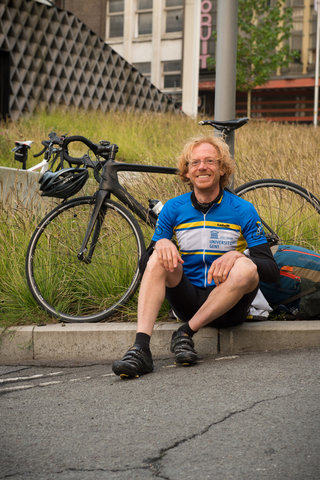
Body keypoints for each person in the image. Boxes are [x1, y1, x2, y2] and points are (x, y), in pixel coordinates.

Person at [112, 135, 279, 378]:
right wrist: (161, 244)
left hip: (229, 308)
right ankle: (140, 349)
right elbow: (145, 266)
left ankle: (185, 334)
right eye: (195, 162)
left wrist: (236, 256)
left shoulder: (242, 209)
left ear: (222, 169)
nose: (202, 167)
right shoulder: (173, 208)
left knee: (246, 267)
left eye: (210, 161)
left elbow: (271, 271)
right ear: (187, 172)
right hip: (188, 300)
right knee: (158, 257)